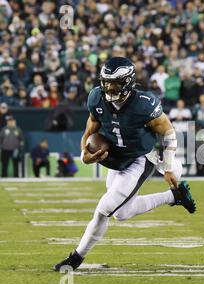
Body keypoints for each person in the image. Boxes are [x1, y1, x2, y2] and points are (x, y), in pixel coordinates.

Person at [53, 57, 196, 271]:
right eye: (106, 82)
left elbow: (168, 131)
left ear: (128, 82)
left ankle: (76, 257)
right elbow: (89, 132)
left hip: (140, 156)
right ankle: (175, 196)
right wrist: (84, 154)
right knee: (121, 213)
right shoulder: (96, 98)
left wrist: (166, 167)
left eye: (116, 83)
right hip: (118, 159)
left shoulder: (143, 104)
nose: (109, 87)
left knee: (104, 209)